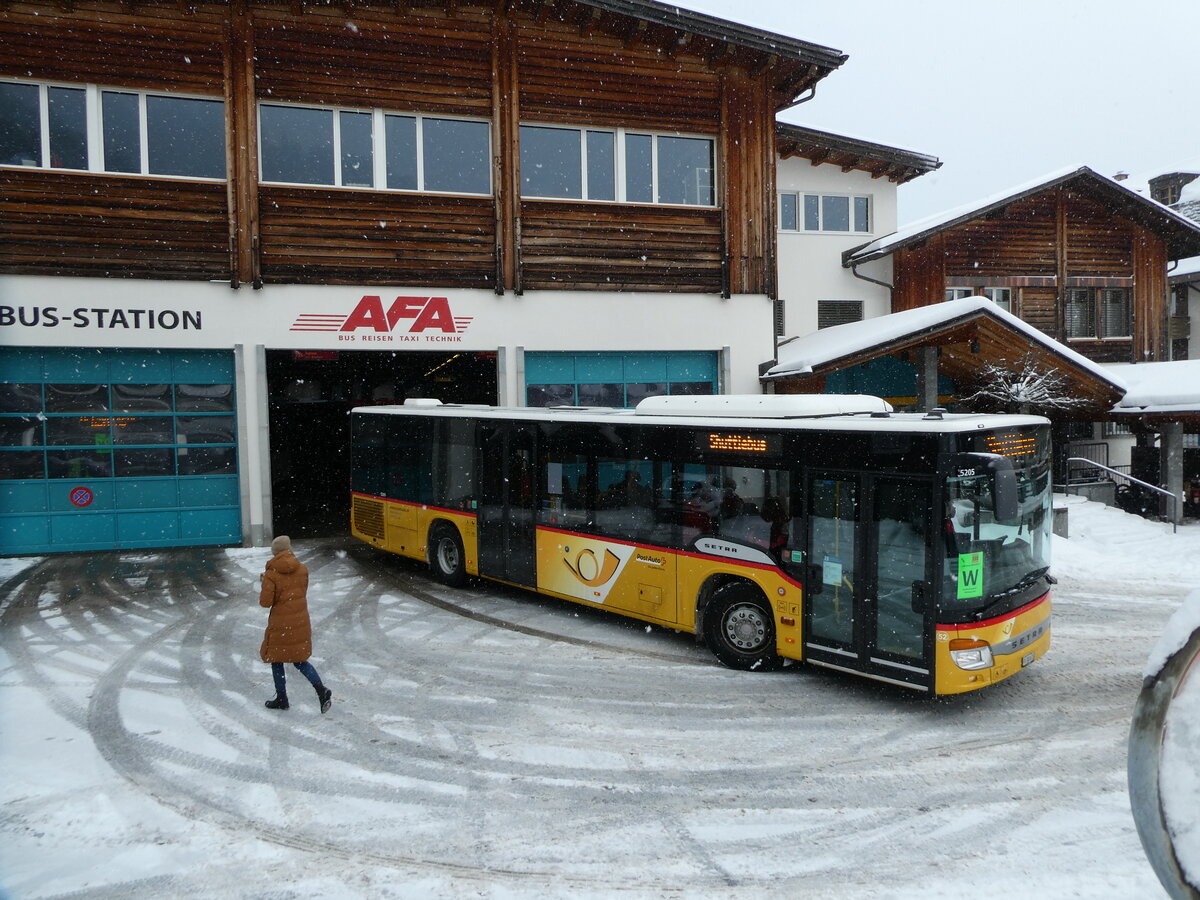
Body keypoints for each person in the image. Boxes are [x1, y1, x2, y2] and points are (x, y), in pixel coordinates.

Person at [259, 535, 332, 713]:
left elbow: (265, 602)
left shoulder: (271, 574)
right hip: (300, 620)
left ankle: (282, 698)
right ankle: (321, 690)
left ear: (275, 553)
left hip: (280, 623)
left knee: (277, 660)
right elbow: (300, 591)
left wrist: (265, 583)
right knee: (300, 660)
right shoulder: (302, 569)